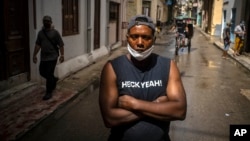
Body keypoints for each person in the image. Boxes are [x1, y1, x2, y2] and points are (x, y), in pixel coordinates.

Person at [99, 15, 187, 141]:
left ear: (154, 39)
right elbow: (109, 118)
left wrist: (134, 104)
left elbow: (180, 110)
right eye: (135, 37)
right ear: (128, 38)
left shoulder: (168, 66)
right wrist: (157, 105)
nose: (140, 43)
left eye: (146, 37)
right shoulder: (112, 68)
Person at [33, 15, 64, 100]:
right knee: (42, 72)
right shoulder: (40, 33)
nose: (46, 22)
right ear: (43, 22)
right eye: (45, 21)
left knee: (49, 73)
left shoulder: (55, 33)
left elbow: (61, 45)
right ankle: (53, 80)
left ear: (51, 22)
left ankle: (48, 92)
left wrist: (62, 55)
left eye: (48, 21)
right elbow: (38, 45)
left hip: (53, 56)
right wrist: (34, 55)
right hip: (43, 57)